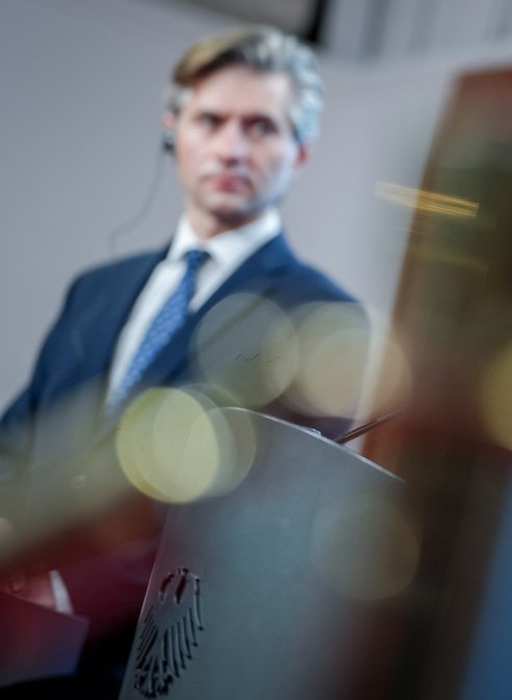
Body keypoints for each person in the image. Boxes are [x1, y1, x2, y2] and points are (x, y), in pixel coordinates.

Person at [0, 27, 361, 693]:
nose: (230, 146)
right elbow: (23, 434)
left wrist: (62, 581)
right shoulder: (98, 287)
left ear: (300, 151)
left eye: (261, 127)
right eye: (211, 120)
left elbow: (252, 526)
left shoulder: (321, 320)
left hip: (143, 665)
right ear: (174, 130)